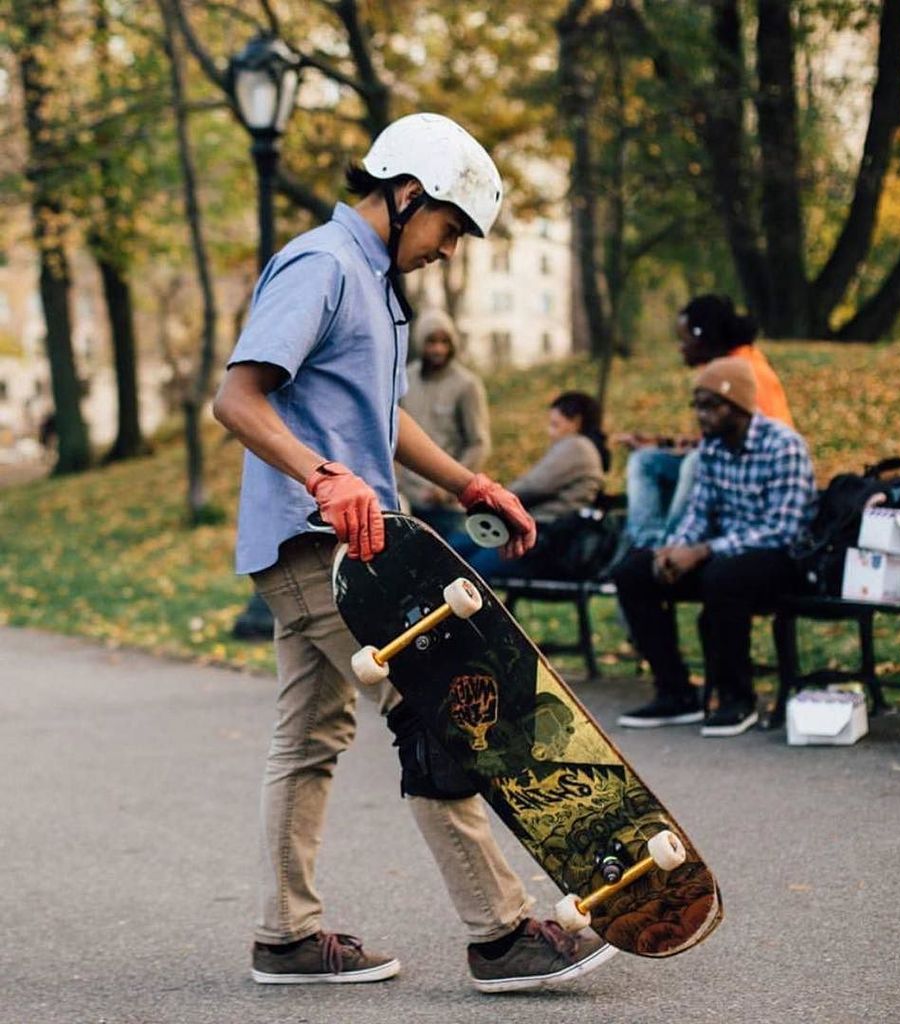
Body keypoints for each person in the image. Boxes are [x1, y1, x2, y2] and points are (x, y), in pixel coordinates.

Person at [212, 112, 617, 993]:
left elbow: (381, 415)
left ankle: (285, 936)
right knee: (436, 707)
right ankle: (501, 933)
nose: (449, 250)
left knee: (310, 734)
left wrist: (471, 483)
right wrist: (323, 476)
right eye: (449, 227)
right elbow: (238, 399)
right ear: (404, 195)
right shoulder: (323, 265)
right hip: (315, 541)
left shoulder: (376, 284)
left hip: (350, 544)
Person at [613, 356, 816, 735]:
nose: (700, 416)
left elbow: (783, 529)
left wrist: (704, 551)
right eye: (697, 406)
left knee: (723, 577)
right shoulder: (712, 448)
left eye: (710, 406)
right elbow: (699, 512)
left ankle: (738, 699)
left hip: (780, 559)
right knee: (634, 571)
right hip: (724, 554)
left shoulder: (783, 446)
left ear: (737, 405)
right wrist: (674, 551)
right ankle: (676, 693)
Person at [619, 294, 794, 549]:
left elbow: (750, 439)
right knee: (646, 461)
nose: (680, 347)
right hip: (719, 457)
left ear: (701, 336)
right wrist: (660, 443)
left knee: (695, 462)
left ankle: (670, 548)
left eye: (683, 339)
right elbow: (713, 438)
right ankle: (648, 545)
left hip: (750, 471)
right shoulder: (717, 369)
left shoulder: (746, 371)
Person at [455, 391, 608, 581]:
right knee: (459, 550)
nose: (550, 433)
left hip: (543, 541)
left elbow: (533, 486)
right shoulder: (585, 449)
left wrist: (494, 496)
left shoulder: (577, 447)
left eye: (555, 425)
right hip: (546, 538)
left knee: (466, 564)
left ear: (576, 422)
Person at [396, 307, 491, 536]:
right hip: (407, 501)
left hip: (446, 505)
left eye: (444, 342)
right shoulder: (404, 380)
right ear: (421, 343)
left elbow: (478, 443)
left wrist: (450, 488)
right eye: (432, 342)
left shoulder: (466, 385)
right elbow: (393, 432)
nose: (438, 349)